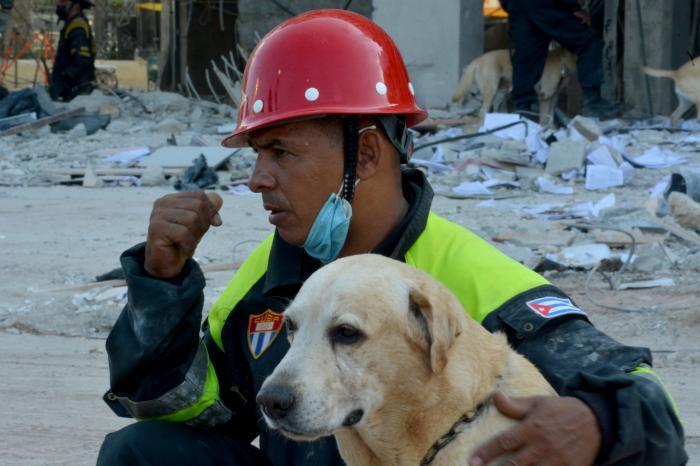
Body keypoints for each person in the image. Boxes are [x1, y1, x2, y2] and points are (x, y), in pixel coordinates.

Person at [97, 9, 686, 466]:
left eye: (281, 152)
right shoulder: (271, 277)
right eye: (256, 153)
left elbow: (651, 408)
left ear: (369, 152)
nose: (257, 179)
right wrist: (161, 288)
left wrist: (597, 425)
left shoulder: (467, 277)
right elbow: (198, 412)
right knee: (138, 453)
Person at [501, 0, 622, 119]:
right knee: (589, 42)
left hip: (517, 5)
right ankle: (592, 102)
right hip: (543, 5)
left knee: (526, 55)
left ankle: (524, 109)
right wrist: (573, 8)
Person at [49, 0, 96, 101]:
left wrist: (64, 81)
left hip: (76, 93)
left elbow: (82, 60)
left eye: (63, 1)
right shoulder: (71, 24)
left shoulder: (77, 26)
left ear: (76, 5)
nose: (58, 4)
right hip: (71, 91)